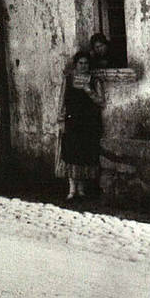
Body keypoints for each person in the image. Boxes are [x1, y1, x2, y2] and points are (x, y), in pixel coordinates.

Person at [58, 51, 105, 201]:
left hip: (88, 123)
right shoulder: (69, 79)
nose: (83, 66)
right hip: (72, 121)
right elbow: (62, 100)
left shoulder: (94, 80)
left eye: (86, 63)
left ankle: (81, 190)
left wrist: (89, 91)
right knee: (71, 153)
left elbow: (101, 102)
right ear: (76, 64)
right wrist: (61, 120)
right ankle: (71, 190)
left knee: (84, 154)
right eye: (81, 63)